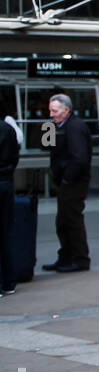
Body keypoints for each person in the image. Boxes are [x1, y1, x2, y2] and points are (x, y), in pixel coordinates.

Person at [42, 93, 93, 273]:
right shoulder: (60, 126)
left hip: (73, 182)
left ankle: (80, 259)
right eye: (50, 111)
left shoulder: (75, 127)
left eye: (54, 111)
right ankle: (66, 257)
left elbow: (79, 158)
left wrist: (67, 178)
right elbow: (47, 146)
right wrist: (48, 131)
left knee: (72, 219)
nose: (51, 115)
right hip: (66, 180)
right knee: (63, 221)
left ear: (66, 110)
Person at [0, 94, 20, 295]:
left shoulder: (50, 126)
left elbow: (45, 145)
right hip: (6, 181)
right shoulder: (8, 127)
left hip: (68, 179)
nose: (51, 113)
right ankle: (9, 281)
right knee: (6, 232)